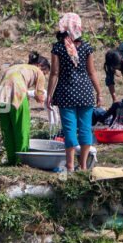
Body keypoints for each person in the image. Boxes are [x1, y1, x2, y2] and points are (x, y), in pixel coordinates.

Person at [46, 13, 103, 171]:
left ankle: (70, 166)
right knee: (85, 128)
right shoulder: (86, 47)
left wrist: (49, 94)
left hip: (66, 93)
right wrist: (99, 92)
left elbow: (54, 73)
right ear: (78, 27)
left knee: (69, 129)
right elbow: (92, 72)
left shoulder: (58, 48)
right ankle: (83, 166)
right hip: (85, 92)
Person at [0, 52, 50, 165]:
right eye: (46, 73)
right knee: (21, 128)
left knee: (7, 130)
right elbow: (40, 96)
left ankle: (11, 160)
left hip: (1, 96)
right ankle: (22, 161)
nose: (44, 75)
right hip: (17, 94)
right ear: (40, 66)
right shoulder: (38, 71)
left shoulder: (15, 67)